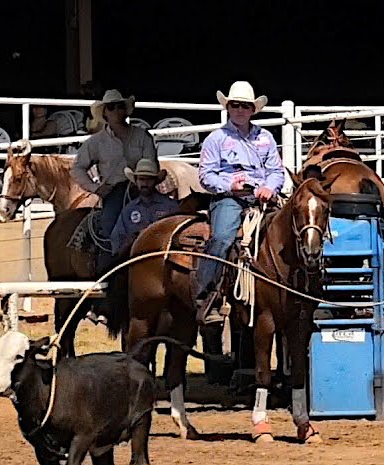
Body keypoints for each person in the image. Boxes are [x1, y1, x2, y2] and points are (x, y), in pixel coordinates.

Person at [196, 81, 285, 324]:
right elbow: (206, 175)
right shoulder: (215, 139)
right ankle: (206, 294)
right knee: (223, 237)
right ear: (228, 107)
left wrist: (269, 187)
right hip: (229, 199)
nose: (240, 109)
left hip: (261, 198)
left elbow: (276, 170)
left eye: (245, 106)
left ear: (253, 110)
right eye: (235, 105)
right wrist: (229, 187)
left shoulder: (265, 138)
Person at [70, 89, 157, 239]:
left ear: (125, 110)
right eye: (111, 107)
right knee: (109, 227)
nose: (116, 110)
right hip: (114, 191)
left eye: (120, 106)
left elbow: (151, 165)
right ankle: (110, 257)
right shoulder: (96, 142)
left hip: (143, 188)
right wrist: (96, 188)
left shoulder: (142, 136)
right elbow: (77, 168)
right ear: (105, 113)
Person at [101, 159, 181, 270]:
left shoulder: (170, 207)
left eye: (149, 180)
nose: (145, 184)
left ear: (155, 181)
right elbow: (117, 239)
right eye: (141, 179)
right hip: (135, 261)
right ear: (136, 181)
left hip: (165, 261)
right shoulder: (129, 210)